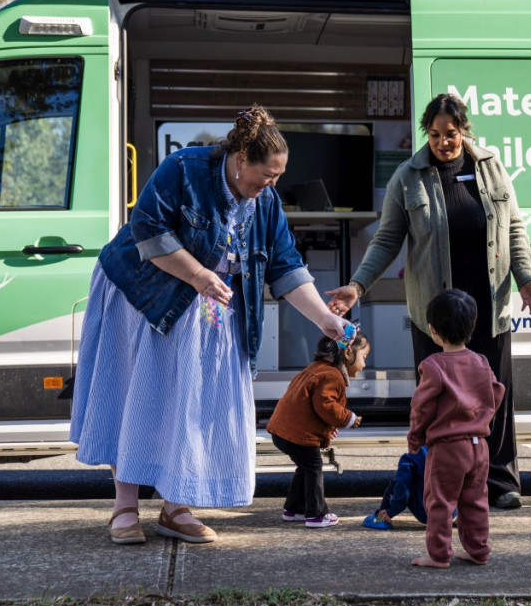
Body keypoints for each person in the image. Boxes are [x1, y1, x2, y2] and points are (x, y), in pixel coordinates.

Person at [70, 105, 350, 545]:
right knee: (135, 396)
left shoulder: (266, 202)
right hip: (140, 295)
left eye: (278, 176)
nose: (273, 185)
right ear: (240, 161)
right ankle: (124, 507)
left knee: (189, 405)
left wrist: (325, 318)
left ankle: (175, 506)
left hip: (202, 308)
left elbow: (286, 266)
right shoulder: (184, 169)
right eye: (268, 174)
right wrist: (200, 275)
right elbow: (148, 232)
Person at [326, 93, 531, 510]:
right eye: (434, 135)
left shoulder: (490, 167)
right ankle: (444, 483)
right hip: (437, 311)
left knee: (493, 392)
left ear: (464, 130)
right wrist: (357, 286)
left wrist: (526, 279)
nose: (444, 142)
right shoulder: (409, 176)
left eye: (451, 134)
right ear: (425, 133)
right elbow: (387, 238)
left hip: (489, 302)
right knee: (440, 399)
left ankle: (500, 482)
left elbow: (514, 228)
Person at [408, 289, 505, 568]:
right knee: (475, 500)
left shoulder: (433, 365)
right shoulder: (481, 361)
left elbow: (421, 407)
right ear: (471, 327)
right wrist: (483, 416)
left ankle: (438, 555)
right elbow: (497, 391)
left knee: (439, 501)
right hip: (479, 446)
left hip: (448, 447)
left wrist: (415, 437)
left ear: (432, 330)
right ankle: (478, 550)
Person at [265, 332, 370, 528]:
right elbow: (325, 405)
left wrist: (327, 428)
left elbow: (311, 410)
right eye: (364, 357)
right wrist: (348, 418)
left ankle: (294, 509)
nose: (364, 364)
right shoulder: (332, 375)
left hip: (283, 432)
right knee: (313, 468)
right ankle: (316, 515)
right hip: (298, 435)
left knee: (305, 468)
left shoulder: (318, 369)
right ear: (348, 353)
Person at [361, 446, 430, 530]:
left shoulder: (411, 457)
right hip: (448, 512)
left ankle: (381, 516)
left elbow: (403, 490)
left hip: (426, 512)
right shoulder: (448, 450)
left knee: (402, 479)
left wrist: (391, 512)